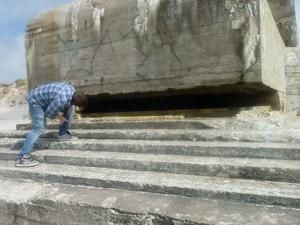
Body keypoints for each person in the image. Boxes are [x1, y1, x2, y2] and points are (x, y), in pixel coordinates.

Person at [15, 82, 88, 167]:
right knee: (38, 129)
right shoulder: (61, 100)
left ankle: (62, 134)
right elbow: (49, 113)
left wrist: (69, 107)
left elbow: (67, 103)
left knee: (71, 110)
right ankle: (22, 158)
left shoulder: (72, 90)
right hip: (35, 101)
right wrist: (60, 117)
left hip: (45, 98)